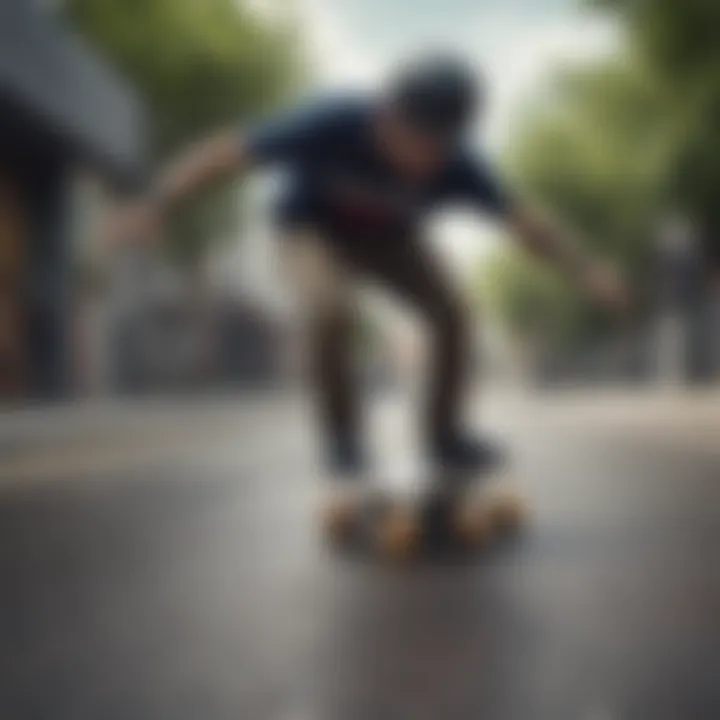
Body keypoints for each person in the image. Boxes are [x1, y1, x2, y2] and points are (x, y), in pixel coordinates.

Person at [110, 54, 626, 514]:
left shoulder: (462, 169)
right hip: (308, 230)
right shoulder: (332, 120)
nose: (413, 157)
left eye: (430, 149)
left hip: (392, 241)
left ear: (451, 143)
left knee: (453, 314)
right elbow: (224, 154)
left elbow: (525, 223)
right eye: (403, 137)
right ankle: (342, 440)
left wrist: (586, 271)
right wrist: (158, 202)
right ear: (385, 113)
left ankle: (444, 437)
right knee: (333, 309)